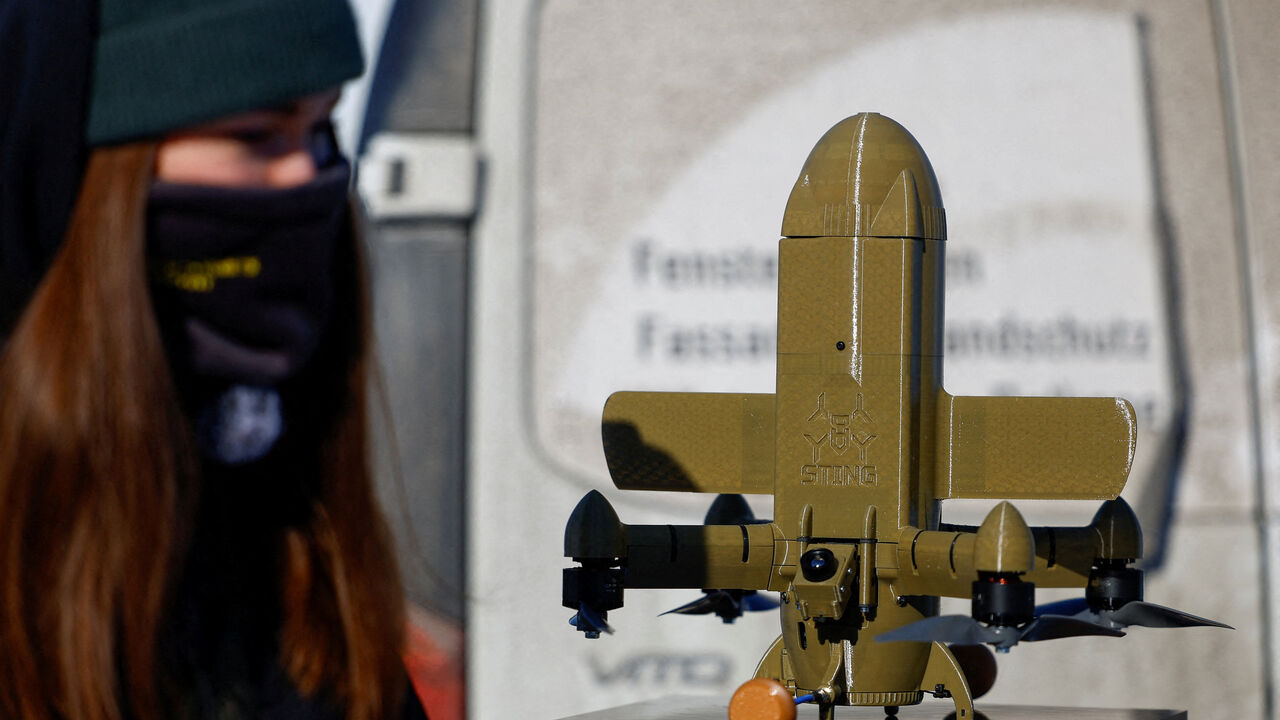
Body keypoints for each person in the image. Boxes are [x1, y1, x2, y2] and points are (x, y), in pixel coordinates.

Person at [0, 0, 430, 718]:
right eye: (256, 134)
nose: (307, 175)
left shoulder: (288, 516)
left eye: (322, 130)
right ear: (93, 175)